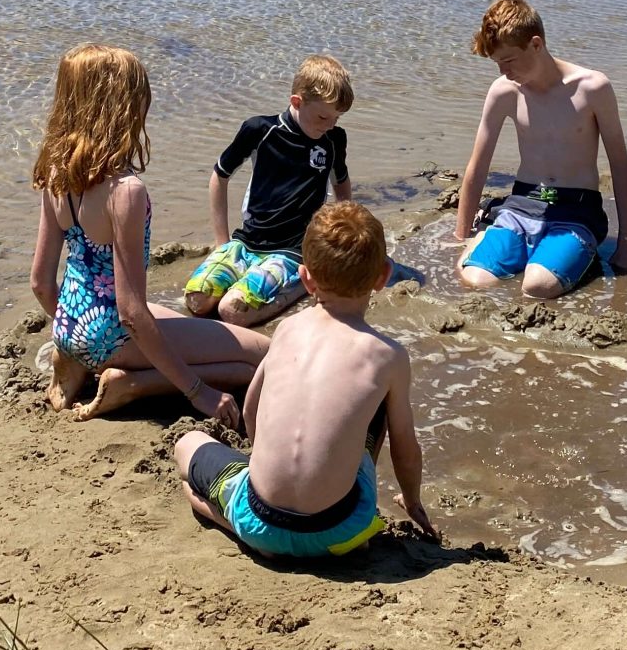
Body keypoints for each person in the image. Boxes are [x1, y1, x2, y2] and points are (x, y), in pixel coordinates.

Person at [174, 202, 435, 557]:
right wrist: (412, 499)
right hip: (342, 529)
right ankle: (334, 493)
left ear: (306, 278)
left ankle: (229, 518)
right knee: (377, 405)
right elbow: (405, 447)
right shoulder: (388, 356)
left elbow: (252, 409)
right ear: (383, 276)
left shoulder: (286, 329)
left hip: (260, 522)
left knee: (187, 442)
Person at [28, 43, 270, 423]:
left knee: (194, 332)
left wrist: (73, 331)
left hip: (68, 322)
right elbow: (131, 313)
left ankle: (79, 359)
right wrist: (199, 393)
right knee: (259, 358)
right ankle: (133, 384)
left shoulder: (56, 174)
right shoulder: (125, 191)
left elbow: (41, 283)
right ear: (122, 110)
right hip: (114, 331)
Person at [453, 0, 627, 298]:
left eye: (509, 61)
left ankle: (578, 254)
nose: (503, 71)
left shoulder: (592, 88)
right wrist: (461, 235)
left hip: (576, 211)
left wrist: (626, 244)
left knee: (537, 285)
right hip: (522, 204)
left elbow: (619, 163)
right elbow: (478, 164)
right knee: (475, 280)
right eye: (497, 63)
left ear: (536, 44)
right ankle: (487, 232)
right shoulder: (504, 92)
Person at [183, 55, 354, 327]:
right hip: (246, 242)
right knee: (197, 298)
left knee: (232, 310)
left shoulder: (333, 140)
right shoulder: (260, 130)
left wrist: (344, 237)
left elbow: (341, 183)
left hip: (292, 250)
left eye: (336, 118)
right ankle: (248, 275)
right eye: (323, 116)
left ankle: (305, 277)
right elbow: (219, 176)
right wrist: (222, 241)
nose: (330, 125)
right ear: (297, 102)